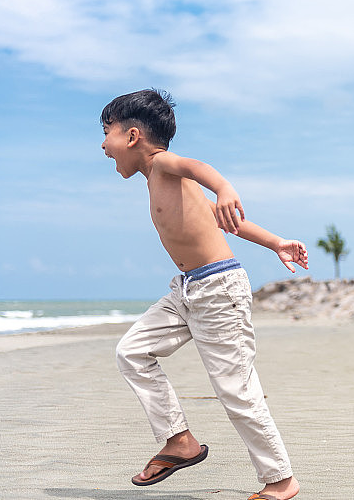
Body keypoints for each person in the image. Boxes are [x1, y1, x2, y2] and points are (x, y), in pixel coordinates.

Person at [101, 89, 304, 500]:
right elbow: (224, 220)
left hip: (218, 290)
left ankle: (281, 481)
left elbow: (197, 166)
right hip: (187, 291)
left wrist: (225, 186)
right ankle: (179, 440)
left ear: (133, 135)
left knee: (236, 389)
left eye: (107, 133)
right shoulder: (160, 183)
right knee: (132, 352)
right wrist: (276, 242)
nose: (103, 145)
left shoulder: (164, 165)